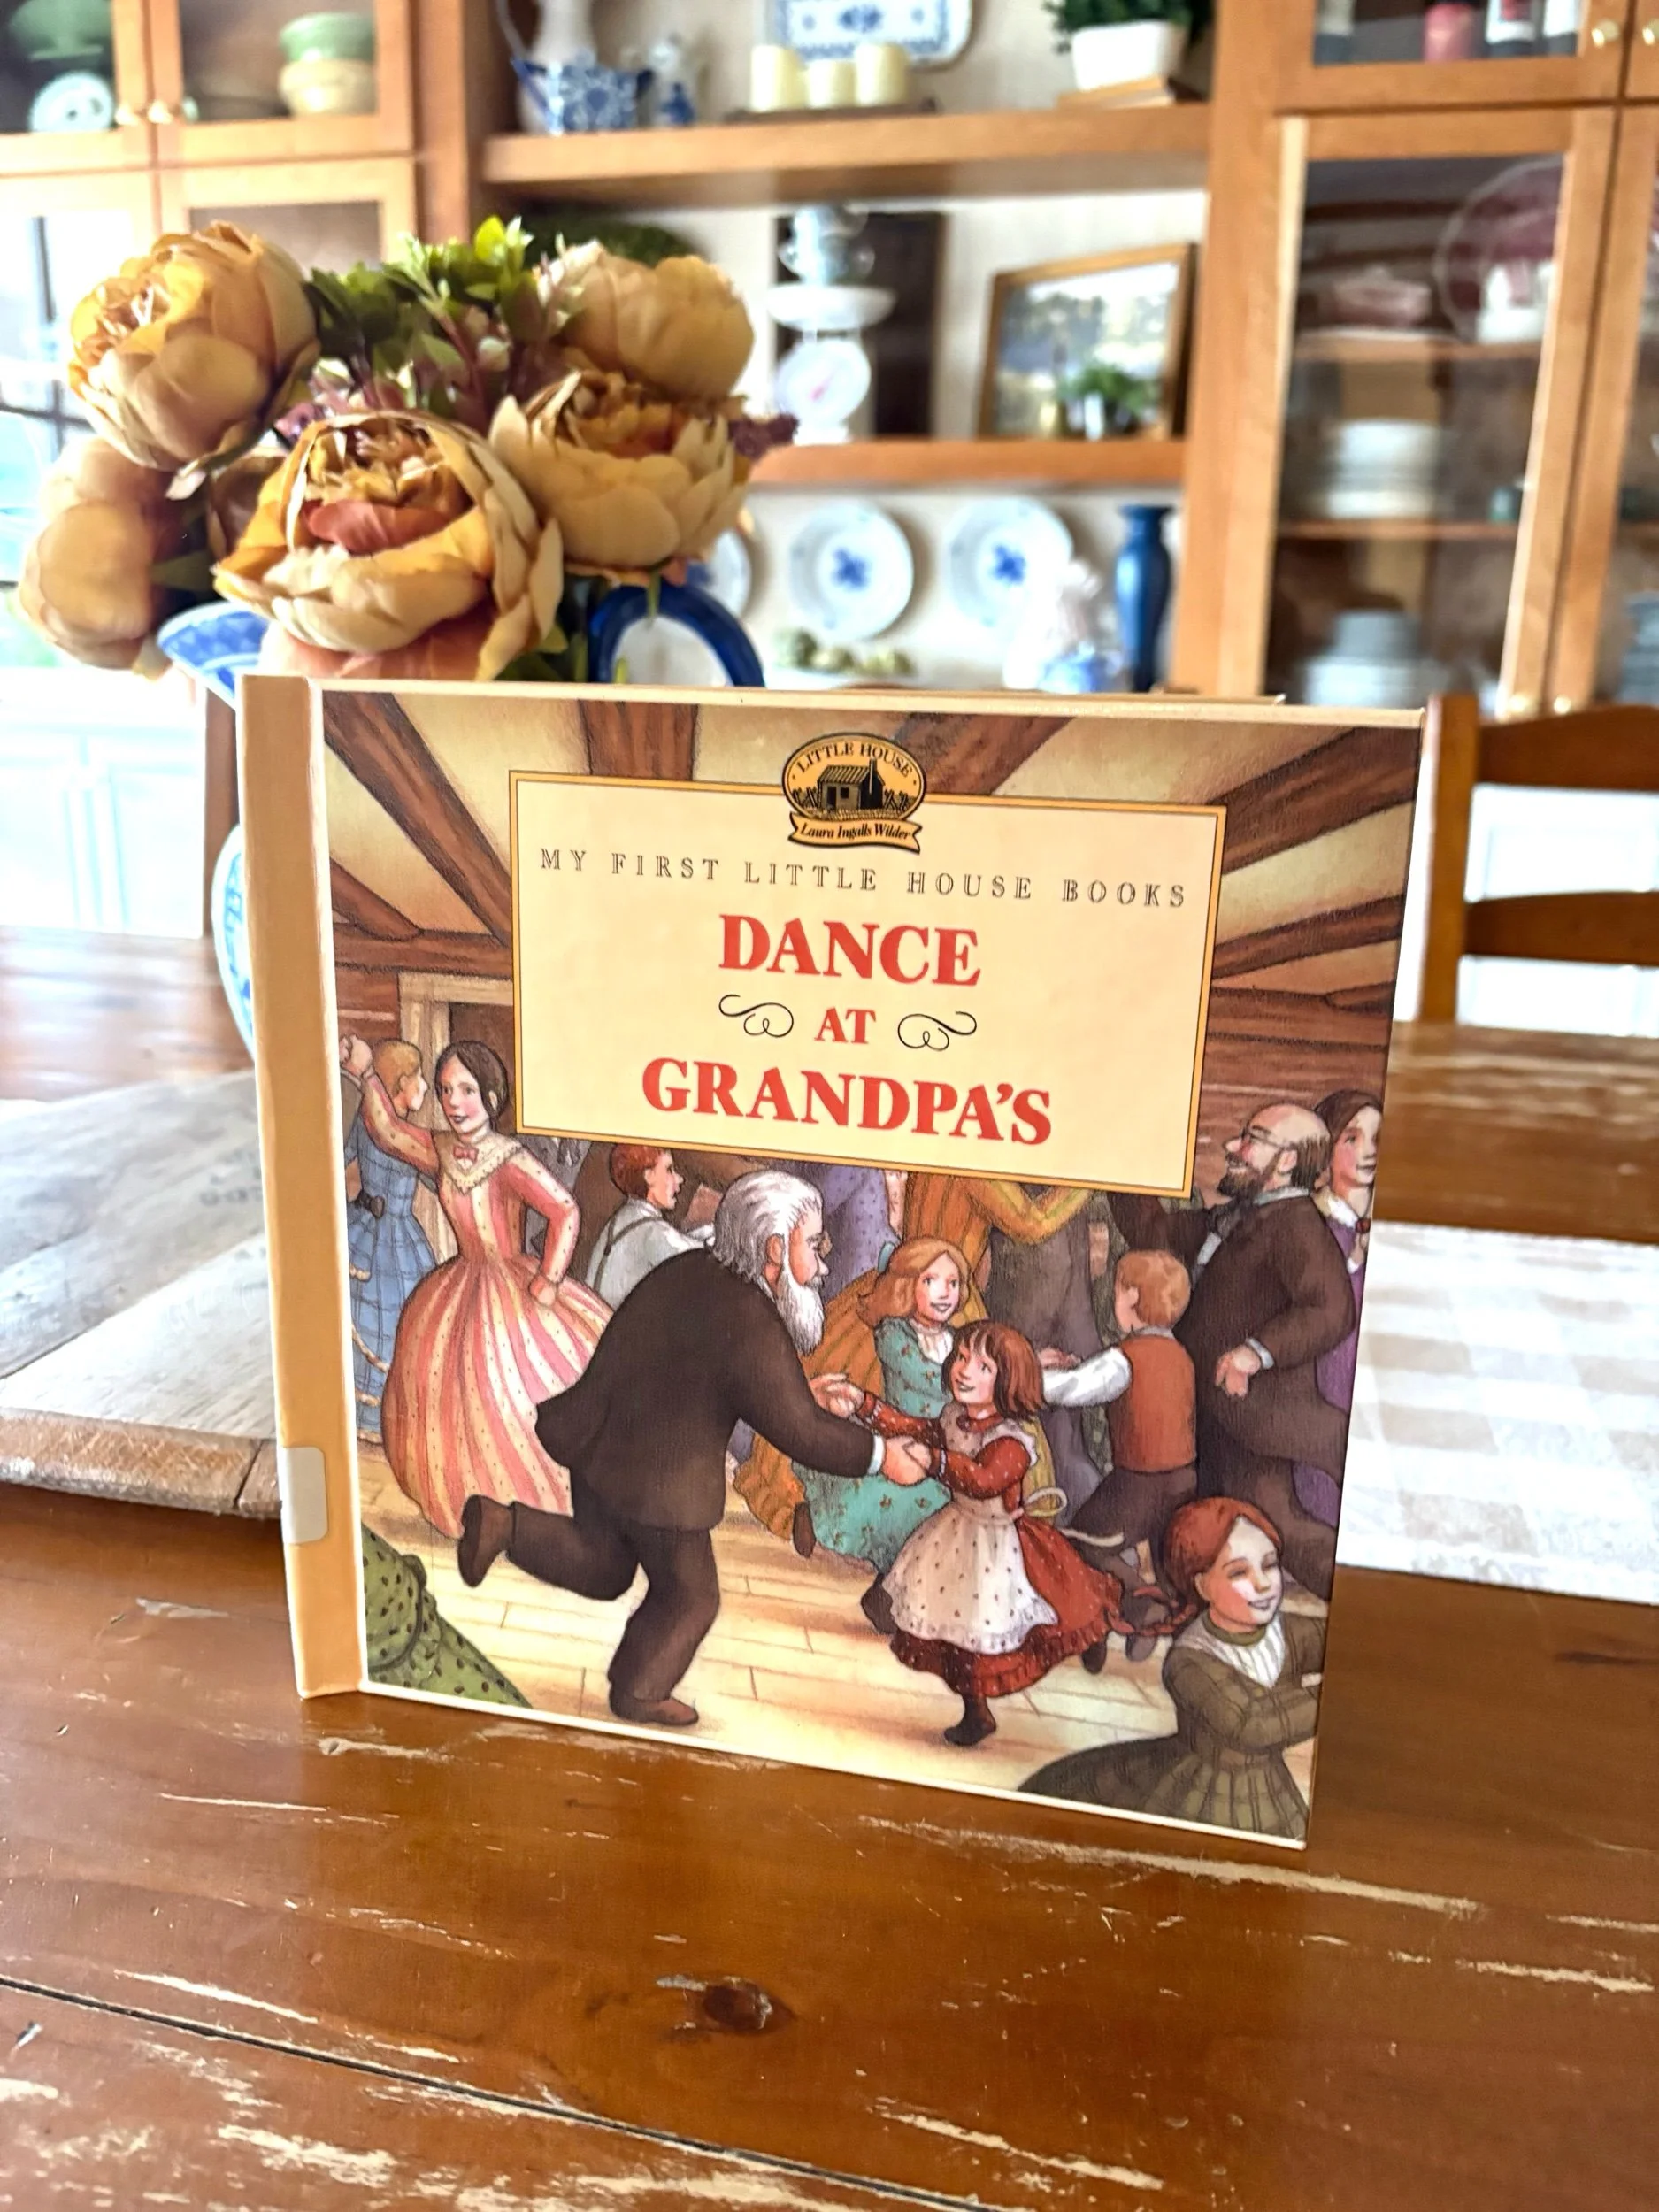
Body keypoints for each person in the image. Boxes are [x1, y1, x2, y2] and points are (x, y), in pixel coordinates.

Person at [454, 1171, 934, 1730]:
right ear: (774, 1249)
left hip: (602, 1447)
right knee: (691, 1598)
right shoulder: (750, 1316)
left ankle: (502, 1526)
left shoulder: (693, 1270)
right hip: (660, 1479)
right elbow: (799, 1430)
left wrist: (798, 1393)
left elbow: (723, 1376)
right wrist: (881, 1455)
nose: (823, 1262)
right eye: (814, 1243)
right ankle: (639, 1690)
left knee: (603, 1563)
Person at [339, 1033, 609, 1539]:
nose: (454, 1103)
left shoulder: (509, 1158)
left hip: (513, 1289)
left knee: (516, 1391)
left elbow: (564, 1211)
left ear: (491, 1095)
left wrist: (549, 1278)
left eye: (466, 1090)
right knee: (454, 1402)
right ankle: (477, 1511)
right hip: (459, 1290)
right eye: (445, 1091)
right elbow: (388, 1132)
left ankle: (535, 1516)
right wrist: (367, 1073)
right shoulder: (441, 1149)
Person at [828, 1320, 1134, 1749]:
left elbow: (984, 1479)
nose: (965, 1370)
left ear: (1009, 1381)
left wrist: (935, 1461)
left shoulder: (1011, 1439)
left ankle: (1096, 1628)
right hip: (957, 1534)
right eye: (962, 1357)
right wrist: (864, 1406)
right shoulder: (955, 1417)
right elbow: (914, 1427)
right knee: (962, 1633)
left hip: (1001, 1546)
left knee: (1061, 1604)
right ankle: (977, 1711)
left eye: (983, 1366)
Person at [735, 1171, 1093, 1536]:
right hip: (934, 1297)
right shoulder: (977, 1172)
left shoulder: (934, 1162)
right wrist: (1087, 1180)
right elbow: (1033, 1223)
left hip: (916, 1283)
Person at [1113, 1102, 1354, 1601]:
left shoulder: (1296, 1226)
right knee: (1197, 1534)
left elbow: (1330, 1309)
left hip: (1251, 1418)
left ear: (1287, 1160)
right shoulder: (1234, 1216)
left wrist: (1255, 1352)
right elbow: (1154, 1235)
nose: (1232, 1148)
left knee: (1279, 1531)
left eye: (1252, 1139)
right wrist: (1118, 1164)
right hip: (1208, 1415)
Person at [1020, 1497, 1325, 1841]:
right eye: (1239, 1572)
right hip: (1204, 1790)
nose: (1263, 1583)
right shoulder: (1189, 1660)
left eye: (1269, 1565)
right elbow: (1252, 1724)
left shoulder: (1285, 1633)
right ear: (1201, 1585)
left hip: (1271, 1787)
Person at [790, 1237, 966, 1632]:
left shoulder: (957, 1341)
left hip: (943, 1452)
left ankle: (891, 1594)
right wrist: (974, 1384)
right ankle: (824, 1528)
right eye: (931, 1281)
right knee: (914, 1506)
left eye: (953, 1283)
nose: (944, 1293)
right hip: (902, 1438)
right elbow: (928, 1380)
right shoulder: (894, 1335)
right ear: (906, 1287)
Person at [1044, 1248, 1197, 1631]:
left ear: (1131, 1297)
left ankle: (1142, 1602)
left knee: (1081, 1543)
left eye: (1115, 1291)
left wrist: (1029, 1374)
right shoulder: (1180, 1355)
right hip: (1183, 1479)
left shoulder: (1124, 1358)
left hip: (1138, 1483)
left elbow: (1073, 1389)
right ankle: (1167, 1614)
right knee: (1165, 1555)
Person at [1295, 1089, 1382, 1528]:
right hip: (1327, 1371)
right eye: (1352, 1138)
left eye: (1378, 1138)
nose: (1369, 1151)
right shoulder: (1307, 1225)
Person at [342, 1039, 435, 1444]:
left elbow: (439, 1180)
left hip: (402, 1240)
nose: (425, 1087)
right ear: (400, 1084)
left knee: (404, 1320)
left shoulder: (411, 1136)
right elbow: (338, 1159)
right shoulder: (368, 1125)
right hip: (365, 1232)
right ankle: (359, 1419)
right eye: (418, 1078)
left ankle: (393, 1422)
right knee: (363, 1314)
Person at [584, 1145, 710, 1310]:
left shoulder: (624, 1217)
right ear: (649, 1176)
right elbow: (695, 1258)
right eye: (669, 1170)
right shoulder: (652, 1231)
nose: (679, 1179)